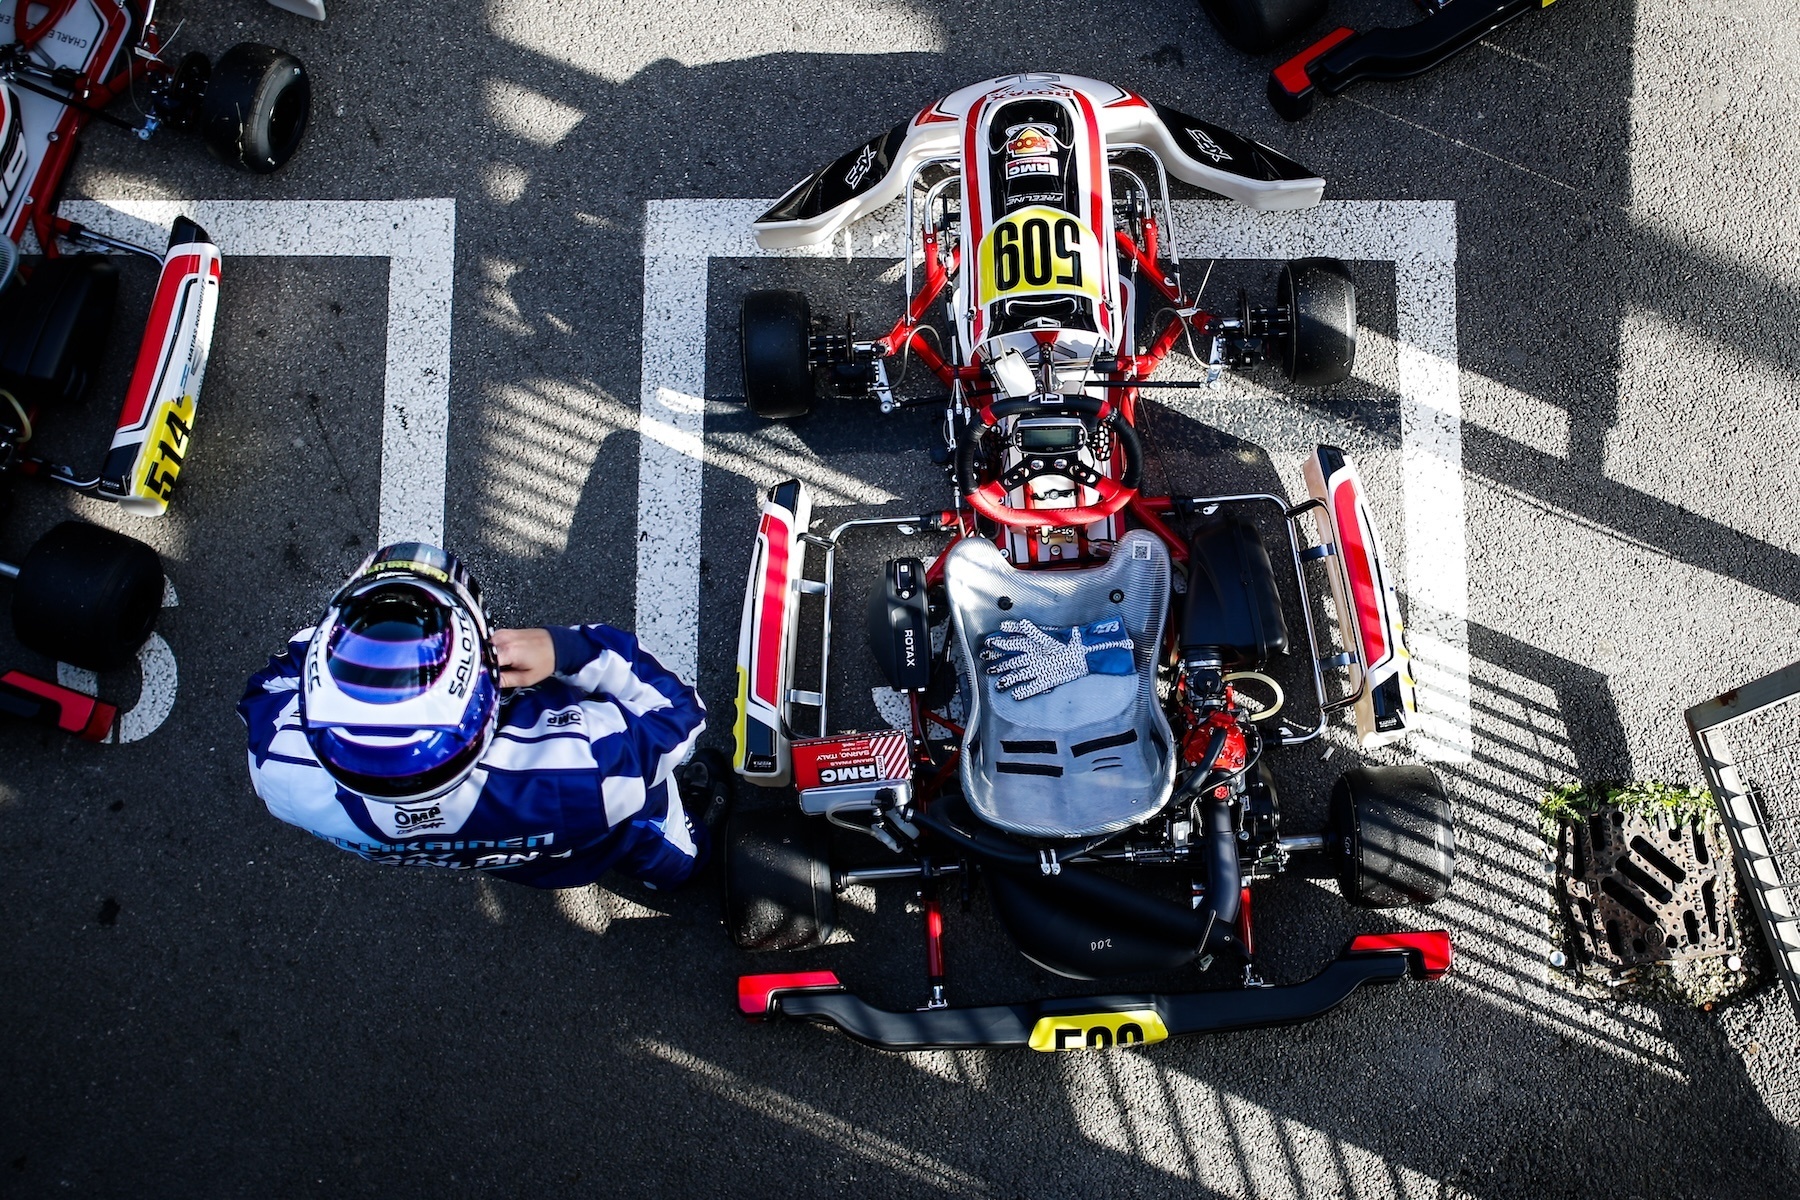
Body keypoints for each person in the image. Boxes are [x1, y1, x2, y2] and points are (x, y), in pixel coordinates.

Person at [239, 542, 728, 890]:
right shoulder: (585, 769)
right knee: (663, 843)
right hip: (599, 818)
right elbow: (677, 713)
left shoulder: (278, 773)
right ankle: (683, 869)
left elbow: (271, 686)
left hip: (517, 855)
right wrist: (566, 649)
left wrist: (356, 668)